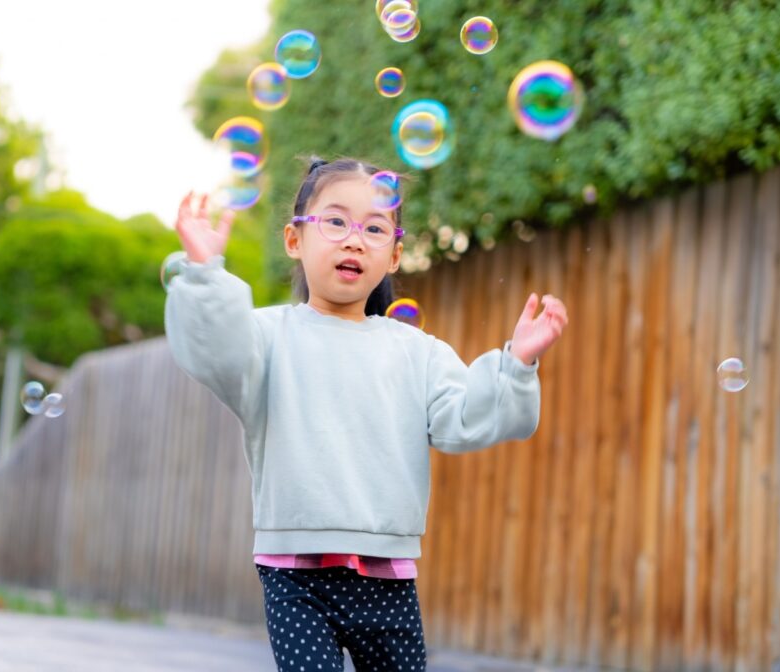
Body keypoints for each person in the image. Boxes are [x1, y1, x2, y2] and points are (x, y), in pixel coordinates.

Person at [165, 156, 568, 671]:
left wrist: (517, 362)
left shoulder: (416, 351)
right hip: (294, 575)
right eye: (335, 222)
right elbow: (216, 350)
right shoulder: (266, 338)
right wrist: (205, 274)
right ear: (295, 240)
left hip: (389, 578)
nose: (354, 239)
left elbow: (464, 417)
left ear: (395, 255)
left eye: (374, 228)